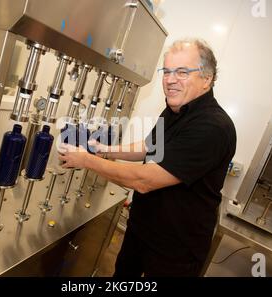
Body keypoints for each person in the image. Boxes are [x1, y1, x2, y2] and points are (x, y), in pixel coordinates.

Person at [58, 38, 236, 277]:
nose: (170, 80)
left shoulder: (212, 127)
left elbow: (145, 181)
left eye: (182, 72)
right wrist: (104, 149)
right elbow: (151, 146)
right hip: (142, 229)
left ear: (206, 78)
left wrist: (87, 161)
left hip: (175, 249)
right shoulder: (175, 109)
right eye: (167, 71)